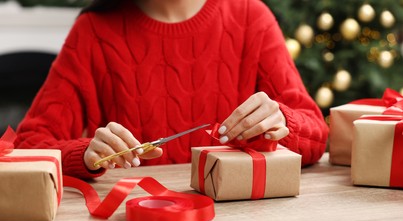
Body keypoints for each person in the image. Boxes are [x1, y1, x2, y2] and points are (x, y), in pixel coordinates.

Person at [15, 0, 329, 179]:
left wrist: (283, 123)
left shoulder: (251, 17)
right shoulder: (93, 32)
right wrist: (83, 155)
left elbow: (316, 135)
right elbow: (28, 147)